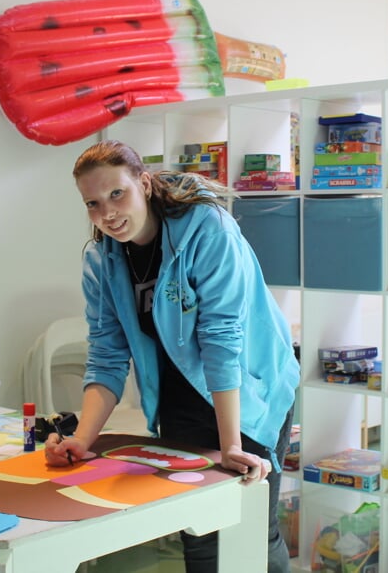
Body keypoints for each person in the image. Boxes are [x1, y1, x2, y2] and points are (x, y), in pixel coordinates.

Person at [44, 139, 300, 572]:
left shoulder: (207, 228)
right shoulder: (103, 261)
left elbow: (221, 338)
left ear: (143, 183)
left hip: (247, 389)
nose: (107, 213)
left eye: (116, 193)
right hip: (179, 398)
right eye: (92, 203)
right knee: (200, 535)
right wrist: (80, 441)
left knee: (251, 528)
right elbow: (107, 355)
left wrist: (230, 444)